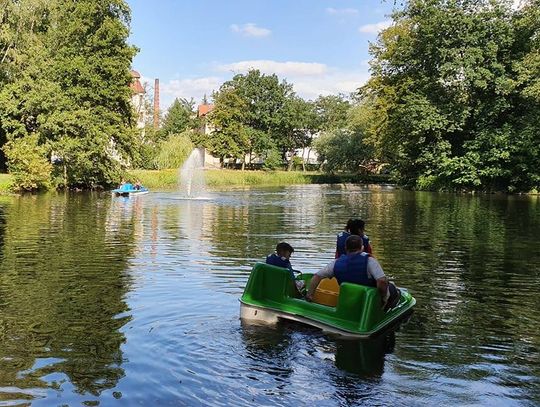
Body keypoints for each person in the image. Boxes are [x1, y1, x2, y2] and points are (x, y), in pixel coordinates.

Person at [307, 235, 399, 311]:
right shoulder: (370, 261)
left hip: (348, 300)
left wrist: (310, 295)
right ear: (362, 247)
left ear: (346, 248)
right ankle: (383, 311)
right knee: (392, 287)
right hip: (368, 301)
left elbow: (316, 276)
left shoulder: (335, 263)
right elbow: (382, 281)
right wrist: (383, 298)